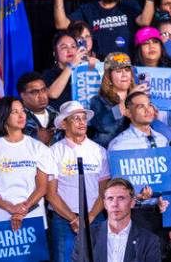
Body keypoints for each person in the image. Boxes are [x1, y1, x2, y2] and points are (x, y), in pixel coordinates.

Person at [106, 91, 171, 257]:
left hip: (160, 213)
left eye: (149, 105)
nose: (147, 109)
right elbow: (115, 189)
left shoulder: (163, 140)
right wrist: (136, 198)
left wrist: (170, 217)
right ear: (128, 112)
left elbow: (169, 179)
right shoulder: (119, 145)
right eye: (140, 106)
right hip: (135, 215)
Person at [47, 101, 110, 262]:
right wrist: (73, 219)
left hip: (95, 218)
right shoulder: (53, 152)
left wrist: (90, 216)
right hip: (63, 220)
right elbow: (51, 194)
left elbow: (104, 191)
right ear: (63, 123)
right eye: (76, 118)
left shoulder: (99, 151)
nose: (82, 122)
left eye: (83, 118)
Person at [0, 97, 54, 232]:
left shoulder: (39, 148)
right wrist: (10, 207)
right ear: (4, 116)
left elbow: (42, 187)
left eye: (22, 111)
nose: (21, 115)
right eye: (15, 112)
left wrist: (22, 209)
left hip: (32, 218)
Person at [74, 177, 161, 262]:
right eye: (110, 198)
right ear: (105, 204)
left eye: (121, 198)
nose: (115, 204)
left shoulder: (149, 241)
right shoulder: (86, 238)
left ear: (132, 202)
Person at [89, 53, 149, 147]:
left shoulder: (140, 99)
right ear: (108, 77)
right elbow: (105, 125)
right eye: (118, 71)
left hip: (136, 153)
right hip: (109, 154)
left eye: (127, 70)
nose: (124, 75)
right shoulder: (97, 101)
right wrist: (127, 100)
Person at [42, 31, 93, 110]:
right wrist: (71, 65)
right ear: (55, 53)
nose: (70, 50)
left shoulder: (84, 72)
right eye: (64, 47)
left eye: (73, 46)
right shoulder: (48, 74)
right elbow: (52, 94)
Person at [18, 71, 58, 144]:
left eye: (43, 90)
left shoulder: (58, 116)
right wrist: (35, 139)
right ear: (23, 95)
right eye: (34, 92)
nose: (41, 96)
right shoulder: (16, 119)